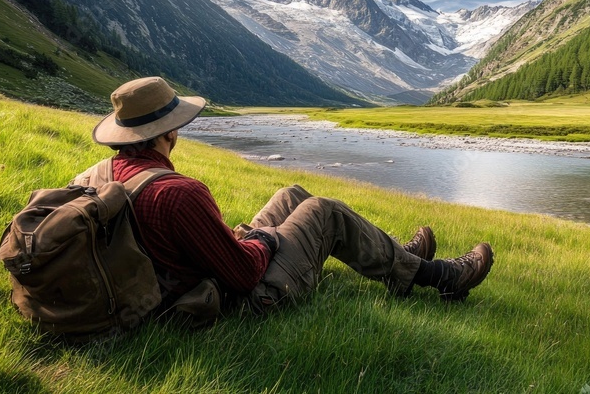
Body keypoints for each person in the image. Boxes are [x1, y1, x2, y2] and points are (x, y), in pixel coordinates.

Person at [88, 76, 494, 317]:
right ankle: (435, 276)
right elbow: (245, 274)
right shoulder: (179, 193)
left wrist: (240, 239)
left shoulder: (96, 176)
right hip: (232, 297)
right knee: (322, 212)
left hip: (172, 278)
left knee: (292, 193)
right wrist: (262, 240)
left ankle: (396, 260)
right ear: (169, 131)